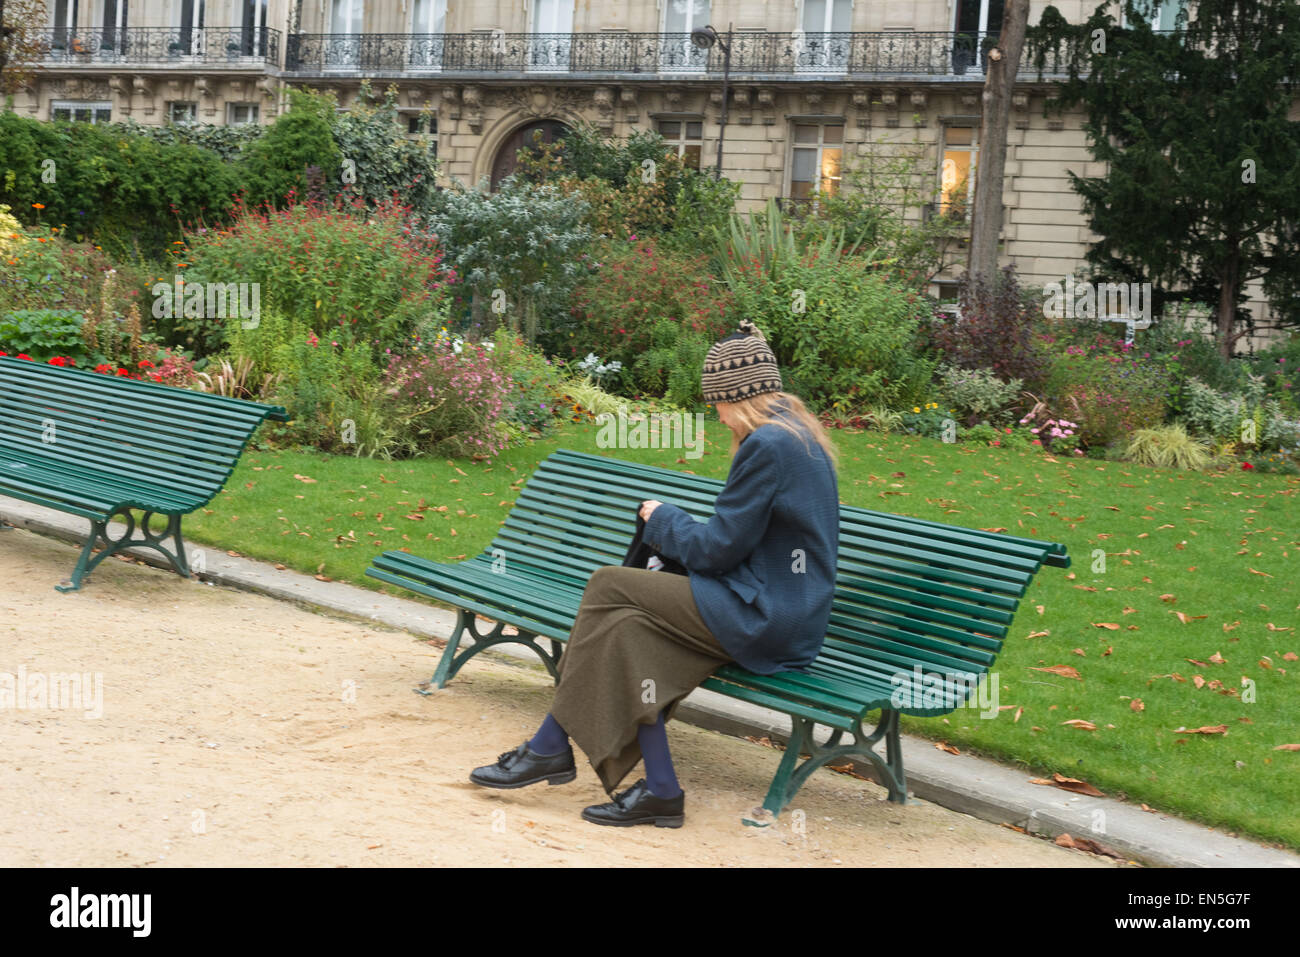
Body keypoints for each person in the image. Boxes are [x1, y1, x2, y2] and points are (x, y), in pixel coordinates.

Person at [469, 319, 840, 827]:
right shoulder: (798, 434)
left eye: (717, 401)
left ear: (735, 395)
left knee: (607, 585)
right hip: (780, 611)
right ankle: (660, 791)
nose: (715, 413)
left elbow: (716, 551)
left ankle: (549, 749)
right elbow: (744, 542)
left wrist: (662, 518)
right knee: (627, 631)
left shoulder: (768, 445)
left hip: (764, 616)